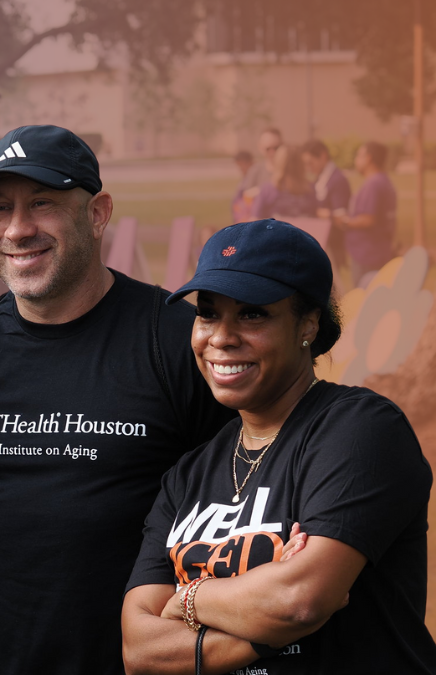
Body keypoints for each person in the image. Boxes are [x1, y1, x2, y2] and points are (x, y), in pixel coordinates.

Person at [0, 124, 233, 675]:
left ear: (96, 212)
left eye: (41, 203)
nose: (17, 229)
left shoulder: (177, 341)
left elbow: (236, 511)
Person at [122, 219, 436, 674]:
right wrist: (263, 621)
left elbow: (298, 602)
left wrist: (187, 598)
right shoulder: (188, 474)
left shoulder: (360, 430)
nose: (221, 336)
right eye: (208, 312)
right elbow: (140, 651)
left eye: (252, 314)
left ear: (308, 324)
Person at [335, 140, 397, 284]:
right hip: (379, 251)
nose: (356, 160)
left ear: (368, 158)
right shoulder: (384, 181)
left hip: (367, 255)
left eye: (358, 156)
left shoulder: (373, 184)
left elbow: (368, 219)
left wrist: (343, 221)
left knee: (364, 297)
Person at [301, 139, 351, 270]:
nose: (309, 168)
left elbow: (341, 218)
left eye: (310, 163)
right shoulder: (321, 178)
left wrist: (316, 211)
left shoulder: (337, 180)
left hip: (334, 245)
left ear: (323, 156)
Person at [251, 144, 317, 219]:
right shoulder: (310, 189)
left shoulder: (267, 189)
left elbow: (255, 220)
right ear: (300, 164)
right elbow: (314, 219)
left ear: (278, 163)